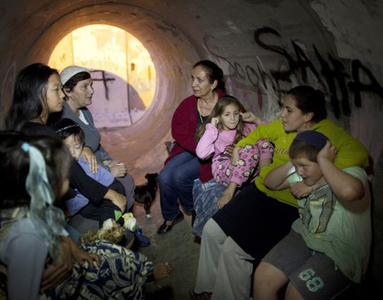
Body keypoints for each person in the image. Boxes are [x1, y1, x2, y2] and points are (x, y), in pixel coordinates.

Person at [191, 86, 370, 300]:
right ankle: (206, 290)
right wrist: (240, 147)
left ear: (307, 116)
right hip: (261, 190)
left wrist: (317, 180)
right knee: (211, 230)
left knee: (233, 251)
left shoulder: (330, 136)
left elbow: (360, 157)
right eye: (282, 109)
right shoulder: (282, 127)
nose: (282, 115)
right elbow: (259, 134)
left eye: (288, 110)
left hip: (288, 205)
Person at [0, 131, 170, 300]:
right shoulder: (26, 236)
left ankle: (140, 275)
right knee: (107, 279)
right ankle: (133, 285)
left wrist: (76, 251)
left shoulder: (32, 203)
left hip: (59, 259)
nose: (70, 169)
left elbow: (57, 230)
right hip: (54, 289)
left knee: (108, 250)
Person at [5, 63, 129, 234]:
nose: (62, 95)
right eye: (56, 90)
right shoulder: (43, 133)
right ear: (38, 93)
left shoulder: (25, 126)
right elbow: (75, 174)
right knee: (117, 191)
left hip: (39, 215)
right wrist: (113, 195)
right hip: (42, 219)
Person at [254, 130, 371, 300]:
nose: (299, 171)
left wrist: (323, 161)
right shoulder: (301, 176)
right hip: (306, 235)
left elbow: (350, 191)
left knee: (295, 293)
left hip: (340, 251)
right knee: (263, 277)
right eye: (297, 166)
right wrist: (293, 161)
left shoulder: (349, 173)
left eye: (304, 166)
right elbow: (270, 182)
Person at [53, 65, 136, 212]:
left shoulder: (84, 112)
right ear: (67, 91)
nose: (91, 91)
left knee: (127, 179)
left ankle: (126, 228)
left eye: (91, 85)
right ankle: (122, 230)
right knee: (124, 183)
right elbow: (74, 164)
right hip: (88, 179)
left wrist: (107, 159)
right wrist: (108, 171)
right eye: (84, 87)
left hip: (99, 167)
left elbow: (97, 144)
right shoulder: (64, 120)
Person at [157, 60, 227, 234]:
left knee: (180, 175)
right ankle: (172, 215)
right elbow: (178, 130)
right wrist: (198, 147)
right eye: (193, 79)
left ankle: (194, 207)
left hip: (215, 153)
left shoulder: (227, 104)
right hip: (190, 148)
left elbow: (239, 129)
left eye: (200, 80)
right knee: (164, 176)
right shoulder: (188, 104)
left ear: (213, 84)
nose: (194, 84)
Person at [193, 96, 273, 236]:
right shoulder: (217, 134)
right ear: (219, 116)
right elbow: (201, 153)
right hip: (224, 169)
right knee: (251, 149)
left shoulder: (246, 127)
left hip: (249, 169)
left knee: (263, 142)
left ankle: (265, 178)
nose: (233, 118)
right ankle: (229, 192)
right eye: (227, 114)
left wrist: (256, 120)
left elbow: (272, 134)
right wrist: (211, 127)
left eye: (236, 113)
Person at [53, 118, 125, 225]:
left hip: (110, 187)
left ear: (82, 146)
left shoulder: (83, 163)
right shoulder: (61, 164)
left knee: (109, 212)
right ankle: (123, 220)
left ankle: (108, 230)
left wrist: (69, 211)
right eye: (67, 148)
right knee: (88, 211)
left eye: (77, 147)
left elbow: (86, 194)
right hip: (94, 197)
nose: (73, 153)